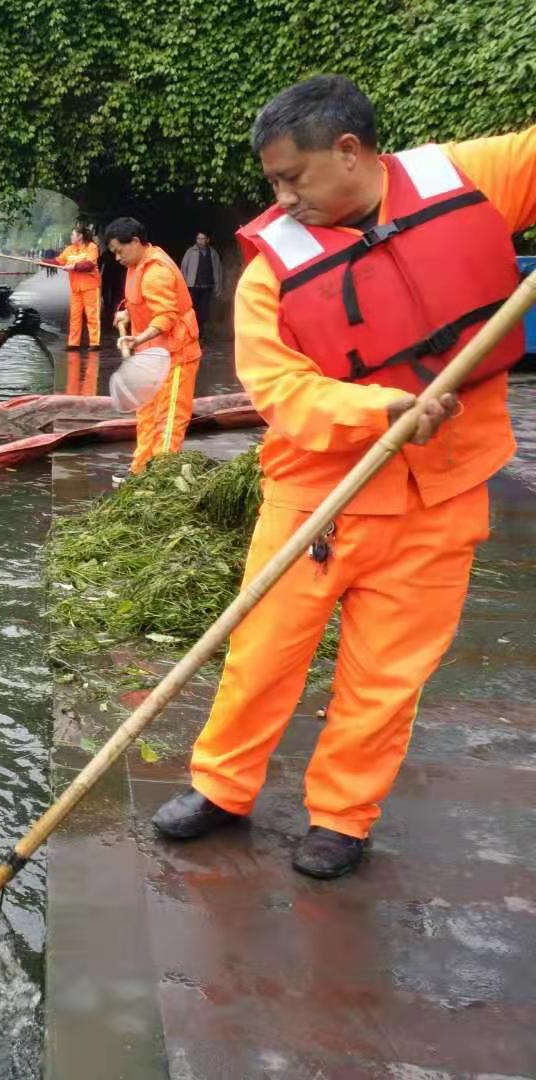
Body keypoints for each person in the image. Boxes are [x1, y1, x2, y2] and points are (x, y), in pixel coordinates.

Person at [150, 74, 536, 880]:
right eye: (273, 184)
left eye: (294, 177)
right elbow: (280, 390)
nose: (284, 198)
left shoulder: (469, 179)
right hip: (319, 496)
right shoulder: (270, 274)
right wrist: (380, 412)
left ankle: (344, 816)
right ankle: (222, 787)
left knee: (388, 675)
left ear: (351, 152)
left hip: (443, 493)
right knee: (261, 652)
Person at [104, 217, 203, 475]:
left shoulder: (157, 271)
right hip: (150, 357)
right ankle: (140, 472)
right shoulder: (136, 265)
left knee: (168, 419)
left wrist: (138, 338)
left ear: (135, 242)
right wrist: (127, 315)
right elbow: (140, 302)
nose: (117, 257)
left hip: (175, 354)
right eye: (113, 252)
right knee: (146, 414)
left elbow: (166, 317)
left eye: (119, 250)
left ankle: (161, 476)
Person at [50, 226, 102, 349]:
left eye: (73, 235)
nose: (71, 237)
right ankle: (73, 343)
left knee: (92, 316)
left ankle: (94, 343)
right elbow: (58, 261)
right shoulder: (69, 249)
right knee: (75, 316)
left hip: (90, 287)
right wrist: (41, 261)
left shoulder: (92, 247)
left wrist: (73, 267)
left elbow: (89, 265)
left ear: (80, 236)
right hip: (76, 289)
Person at [179, 232, 224, 337]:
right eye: (198, 239)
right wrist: (184, 284)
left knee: (204, 312)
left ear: (207, 240)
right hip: (193, 286)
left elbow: (218, 270)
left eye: (202, 239)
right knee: (192, 310)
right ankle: (192, 334)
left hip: (207, 286)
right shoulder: (191, 252)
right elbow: (184, 268)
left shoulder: (212, 253)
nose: (200, 241)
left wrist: (218, 286)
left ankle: (201, 334)